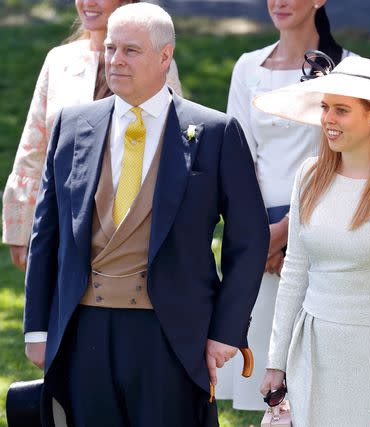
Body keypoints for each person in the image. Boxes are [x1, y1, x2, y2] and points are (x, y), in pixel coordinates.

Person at [22, 3, 269, 426]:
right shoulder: (72, 126)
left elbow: (249, 240)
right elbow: (47, 234)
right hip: (84, 329)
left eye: (130, 51)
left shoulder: (214, 132)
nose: (115, 60)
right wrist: (37, 329)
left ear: (164, 56)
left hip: (170, 334)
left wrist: (226, 332)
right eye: (111, 48)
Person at [253, 55, 370, 425]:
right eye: (325, 107)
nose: (327, 119)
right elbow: (295, 272)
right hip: (314, 350)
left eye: (341, 110)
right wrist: (277, 361)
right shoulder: (310, 175)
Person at [216, 0, 354, 410]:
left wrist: (287, 232)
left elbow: (345, 158)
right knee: (268, 387)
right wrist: (259, 238)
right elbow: (237, 159)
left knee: (320, 382)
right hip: (258, 231)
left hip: (326, 228)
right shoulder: (247, 67)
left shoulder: (349, 69)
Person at [2, 0, 182, 272]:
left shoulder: (155, 61)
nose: (88, 2)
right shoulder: (59, 60)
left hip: (130, 226)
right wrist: (21, 226)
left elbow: (174, 143)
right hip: (62, 218)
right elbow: (35, 145)